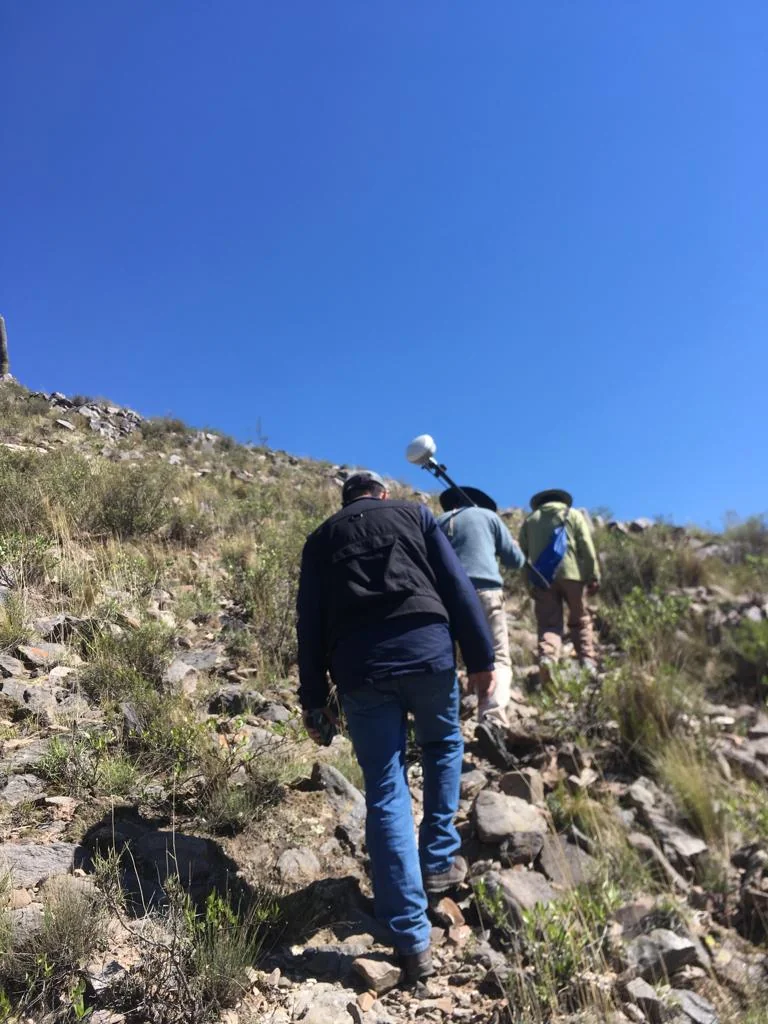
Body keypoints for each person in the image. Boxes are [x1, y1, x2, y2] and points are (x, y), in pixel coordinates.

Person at [296, 470, 495, 984]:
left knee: (386, 790)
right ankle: (437, 862)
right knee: (443, 745)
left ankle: (411, 942)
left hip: (362, 672)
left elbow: (310, 624)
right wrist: (480, 655)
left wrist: (315, 701)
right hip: (428, 653)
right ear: (382, 494)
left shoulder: (321, 539)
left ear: (345, 501)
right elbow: (456, 584)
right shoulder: (415, 514)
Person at [436, 486, 525, 725]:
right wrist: (513, 545)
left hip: (445, 597)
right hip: (486, 592)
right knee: (498, 657)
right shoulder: (489, 517)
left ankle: (446, 716)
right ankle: (491, 716)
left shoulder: (437, 522)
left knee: (449, 658)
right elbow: (515, 561)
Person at [518, 489, 600, 675]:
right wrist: (592, 575)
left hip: (542, 578)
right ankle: (587, 660)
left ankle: (547, 657)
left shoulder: (530, 520)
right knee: (580, 620)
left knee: (549, 623)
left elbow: (522, 557)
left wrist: (529, 584)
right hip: (572, 575)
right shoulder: (573, 515)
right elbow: (586, 546)